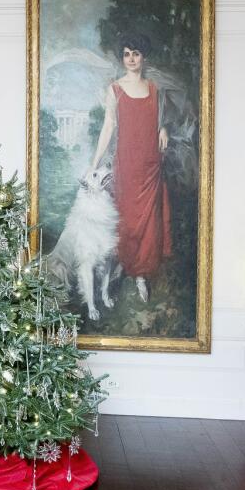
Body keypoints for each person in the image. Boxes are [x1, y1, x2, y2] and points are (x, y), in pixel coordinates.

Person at [88, 32, 172, 302]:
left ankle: (141, 276)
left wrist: (164, 128)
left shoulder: (154, 88)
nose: (131, 59)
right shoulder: (115, 88)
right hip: (127, 163)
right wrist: (95, 162)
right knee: (125, 218)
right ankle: (122, 267)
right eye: (127, 53)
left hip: (149, 164)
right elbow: (109, 125)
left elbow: (158, 119)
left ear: (143, 56)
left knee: (148, 221)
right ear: (122, 57)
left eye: (136, 53)